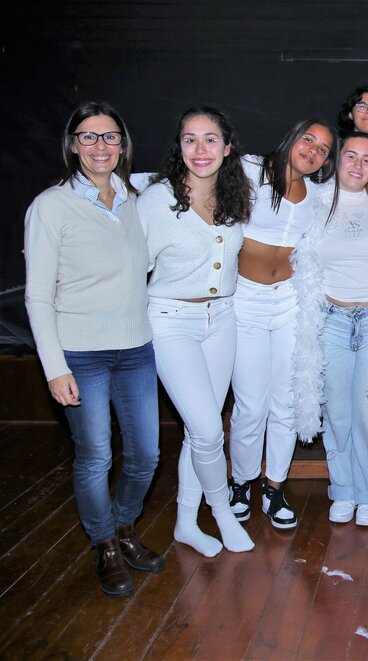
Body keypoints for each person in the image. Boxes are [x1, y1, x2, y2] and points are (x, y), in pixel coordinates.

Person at [24, 101, 164, 596]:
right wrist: (54, 368)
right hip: (80, 355)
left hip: (136, 349)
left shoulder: (136, 199)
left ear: (123, 145)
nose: (100, 146)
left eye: (110, 136)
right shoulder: (50, 206)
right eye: (88, 136)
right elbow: (37, 296)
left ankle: (123, 528)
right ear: (72, 144)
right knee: (96, 456)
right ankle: (104, 544)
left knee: (146, 455)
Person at [138, 106, 255, 558]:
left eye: (211, 139)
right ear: (179, 146)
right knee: (209, 431)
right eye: (190, 139)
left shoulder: (234, 196)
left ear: (227, 148)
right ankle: (222, 512)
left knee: (196, 431)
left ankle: (186, 523)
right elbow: (133, 268)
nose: (200, 149)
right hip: (171, 323)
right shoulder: (156, 201)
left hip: (222, 320)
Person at [290, 132, 368, 527]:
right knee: (338, 413)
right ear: (337, 160)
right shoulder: (313, 201)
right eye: (351, 157)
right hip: (331, 321)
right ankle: (343, 489)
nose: (358, 165)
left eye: (367, 159)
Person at [227, 119, 339, 530]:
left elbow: (361, 181)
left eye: (323, 149)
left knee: (288, 400)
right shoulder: (249, 170)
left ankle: (274, 486)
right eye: (309, 140)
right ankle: (241, 481)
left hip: (289, 302)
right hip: (244, 299)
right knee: (250, 403)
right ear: (292, 137)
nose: (314, 151)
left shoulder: (319, 193)